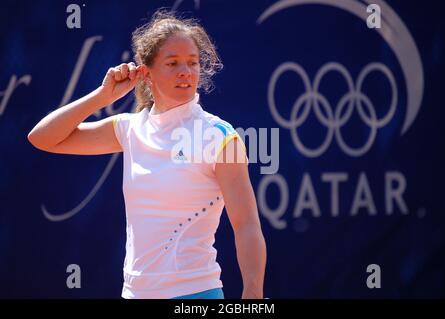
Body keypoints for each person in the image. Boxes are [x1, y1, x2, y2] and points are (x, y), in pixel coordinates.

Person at [27, 10, 266, 299]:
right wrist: (103, 97)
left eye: (192, 63)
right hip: (134, 294)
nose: (186, 72)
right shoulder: (129, 128)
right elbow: (42, 138)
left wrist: (253, 293)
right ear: (146, 71)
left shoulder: (220, 136)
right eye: (173, 63)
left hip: (196, 294)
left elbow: (247, 223)